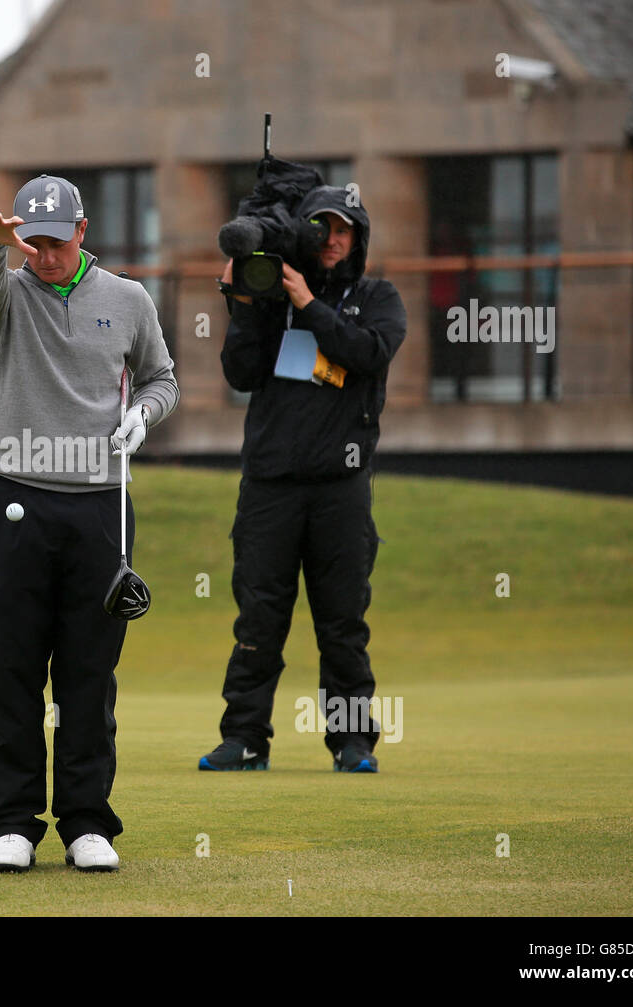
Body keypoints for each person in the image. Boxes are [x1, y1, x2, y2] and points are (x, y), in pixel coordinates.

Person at [0, 175, 178, 872]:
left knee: (89, 672)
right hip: (16, 495)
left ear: (82, 230)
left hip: (100, 503)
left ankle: (87, 821)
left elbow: (160, 377)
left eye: (57, 241)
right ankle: (12, 822)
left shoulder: (127, 298)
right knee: (10, 667)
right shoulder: (7, 293)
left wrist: (144, 415)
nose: (46, 255)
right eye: (35, 241)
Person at [199, 184, 406, 774]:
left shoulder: (378, 296)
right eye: (321, 229)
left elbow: (368, 353)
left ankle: (351, 742)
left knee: (342, 620)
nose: (333, 240)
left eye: (344, 230)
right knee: (258, 616)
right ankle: (244, 738)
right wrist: (244, 305)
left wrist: (311, 304)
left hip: (340, 486)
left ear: (359, 237)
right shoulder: (273, 301)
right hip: (269, 483)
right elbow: (240, 373)